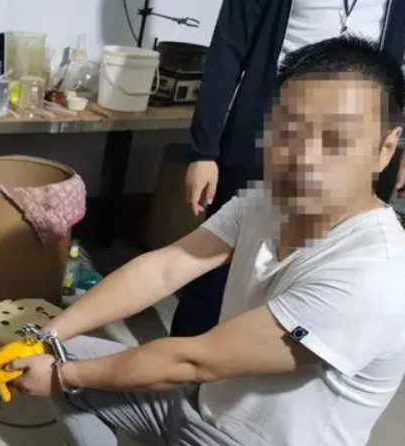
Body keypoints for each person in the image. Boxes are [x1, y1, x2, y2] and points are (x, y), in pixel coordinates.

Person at [4, 37, 405, 446]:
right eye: (290, 129)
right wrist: (50, 337)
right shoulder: (269, 201)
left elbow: (194, 360)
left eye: (337, 140)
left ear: (385, 148)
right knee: (67, 361)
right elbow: (166, 267)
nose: (305, 158)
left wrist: (62, 374)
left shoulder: (375, 273)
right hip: (204, 407)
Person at [171, 0, 405, 338]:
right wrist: (204, 151)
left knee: (328, 265)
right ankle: (186, 356)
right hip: (272, 133)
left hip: (352, 147)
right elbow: (227, 51)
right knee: (218, 266)